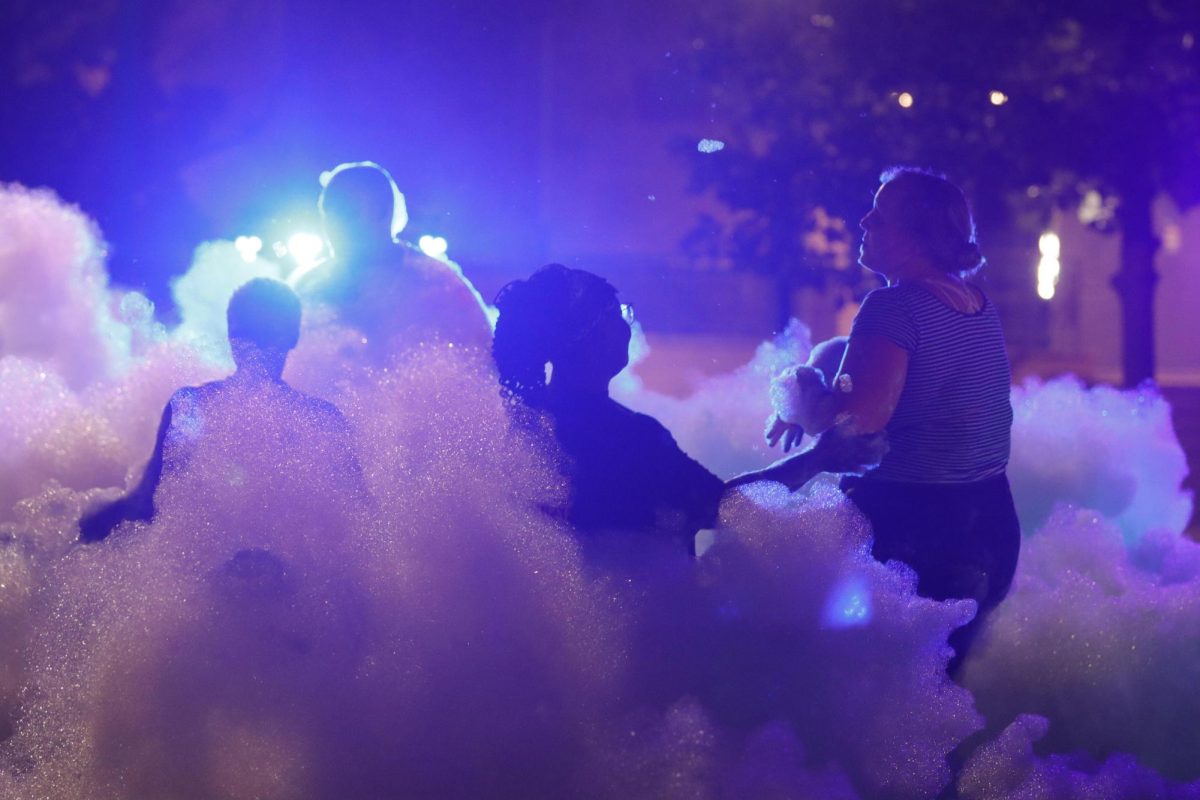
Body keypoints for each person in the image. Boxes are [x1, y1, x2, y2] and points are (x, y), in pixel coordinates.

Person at [773, 167, 1019, 677]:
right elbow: (893, 371)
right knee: (940, 705)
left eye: (880, 215)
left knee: (870, 701)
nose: (864, 220)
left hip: (915, 537)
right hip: (991, 526)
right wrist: (822, 368)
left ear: (917, 234)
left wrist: (799, 389)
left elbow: (851, 426)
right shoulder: (975, 303)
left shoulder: (892, 306)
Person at [492, 265, 867, 556]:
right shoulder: (626, 436)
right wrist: (819, 459)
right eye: (618, 315)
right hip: (638, 635)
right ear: (591, 335)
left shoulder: (526, 420)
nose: (627, 326)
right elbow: (721, 507)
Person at [79, 278, 362, 542]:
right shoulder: (323, 419)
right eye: (247, 333)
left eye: (263, 332)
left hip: (217, 577)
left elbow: (146, 504)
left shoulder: (192, 405)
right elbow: (360, 521)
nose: (254, 344)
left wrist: (88, 526)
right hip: (259, 578)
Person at [294, 161, 493, 354]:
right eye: (328, 212)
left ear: (386, 214)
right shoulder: (310, 286)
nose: (335, 224)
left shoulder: (438, 283)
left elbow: (485, 360)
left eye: (348, 212)